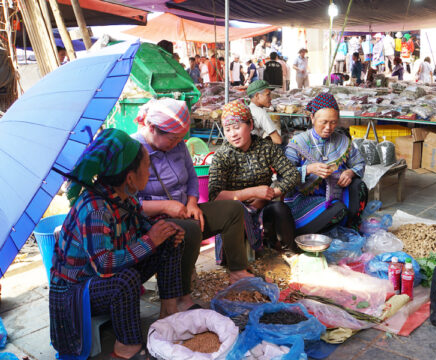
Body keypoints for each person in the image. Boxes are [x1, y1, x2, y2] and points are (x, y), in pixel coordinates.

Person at [50, 129, 185, 359]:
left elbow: (142, 230)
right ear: (130, 177)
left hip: (103, 280)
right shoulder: (95, 209)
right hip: (77, 291)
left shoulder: (125, 198)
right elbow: (104, 265)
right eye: (146, 164)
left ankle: (168, 313)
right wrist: (150, 239)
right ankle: (126, 348)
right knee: (126, 279)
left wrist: (162, 232)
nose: (149, 169)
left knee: (168, 235)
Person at [131, 98, 253, 305]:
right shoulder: (134, 151)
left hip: (183, 210)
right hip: (150, 222)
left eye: (181, 138)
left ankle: (237, 270)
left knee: (233, 209)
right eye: (173, 139)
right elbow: (130, 205)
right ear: (152, 128)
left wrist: (192, 203)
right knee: (190, 228)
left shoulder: (177, 145)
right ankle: (181, 295)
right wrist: (165, 206)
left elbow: (192, 176)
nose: (178, 143)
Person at [209, 101, 300, 252]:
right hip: (234, 211)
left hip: (263, 206)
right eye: (227, 129)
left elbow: (293, 175)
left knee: (280, 209)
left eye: (237, 128)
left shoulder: (266, 148)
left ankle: (290, 253)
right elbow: (215, 195)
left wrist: (266, 197)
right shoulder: (222, 155)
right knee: (236, 214)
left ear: (250, 125)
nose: (233, 134)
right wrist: (252, 193)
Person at [284, 93, 367, 234]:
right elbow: (284, 176)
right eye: (323, 122)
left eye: (333, 122)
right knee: (338, 210)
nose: (328, 127)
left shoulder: (342, 141)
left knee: (359, 186)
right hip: (305, 198)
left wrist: (350, 173)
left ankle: (350, 228)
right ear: (312, 118)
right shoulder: (298, 143)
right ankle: (306, 229)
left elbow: (360, 163)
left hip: (336, 192)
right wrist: (308, 169)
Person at [246, 80, 282, 144]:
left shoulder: (249, 108)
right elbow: (278, 140)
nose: (270, 98)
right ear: (257, 95)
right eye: (268, 95)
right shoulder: (260, 113)